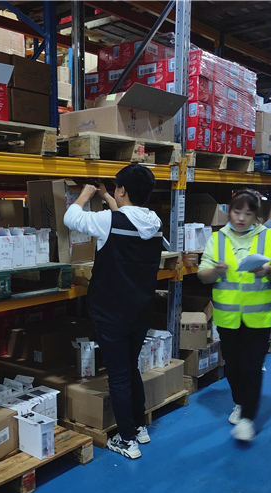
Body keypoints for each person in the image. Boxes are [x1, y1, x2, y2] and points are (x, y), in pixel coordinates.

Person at [63, 165, 164, 459]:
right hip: (140, 311)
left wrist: (87, 193)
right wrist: (108, 196)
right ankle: (139, 427)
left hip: (111, 313)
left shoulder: (109, 221)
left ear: (123, 190)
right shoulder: (155, 222)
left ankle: (127, 440)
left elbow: (71, 218)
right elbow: (126, 218)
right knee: (130, 369)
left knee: (118, 377)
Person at [197, 189, 271, 442]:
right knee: (233, 365)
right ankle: (240, 401)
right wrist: (216, 271)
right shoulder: (217, 239)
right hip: (227, 318)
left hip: (257, 318)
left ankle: (248, 417)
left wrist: (269, 270)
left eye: (247, 214)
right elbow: (202, 275)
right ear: (229, 212)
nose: (241, 218)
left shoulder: (268, 237)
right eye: (237, 212)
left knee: (251, 366)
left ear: (255, 215)